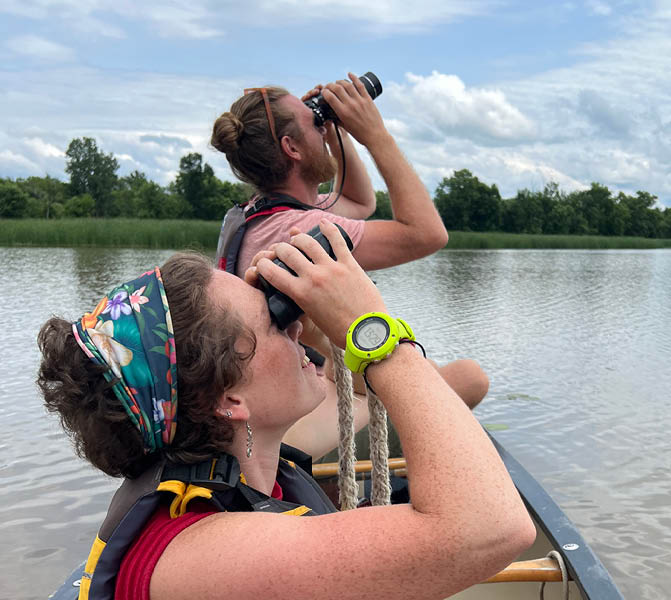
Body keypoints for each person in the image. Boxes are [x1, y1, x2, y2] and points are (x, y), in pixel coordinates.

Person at [38, 221, 535, 600]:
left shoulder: (246, 473)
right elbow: (493, 527)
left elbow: (341, 386)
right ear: (229, 401)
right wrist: (370, 326)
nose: (295, 327)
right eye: (274, 322)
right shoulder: (203, 555)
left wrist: (314, 314)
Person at [210, 73, 488, 458]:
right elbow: (427, 234)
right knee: (468, 378)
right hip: (297, 427)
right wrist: (375, 134)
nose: (321, 125)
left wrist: (336, 134)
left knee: (428, 372)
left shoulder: (251, 216)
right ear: (292, 147)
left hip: (270, 398)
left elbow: (360, 203)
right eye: (314, 122)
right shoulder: (302, 229)